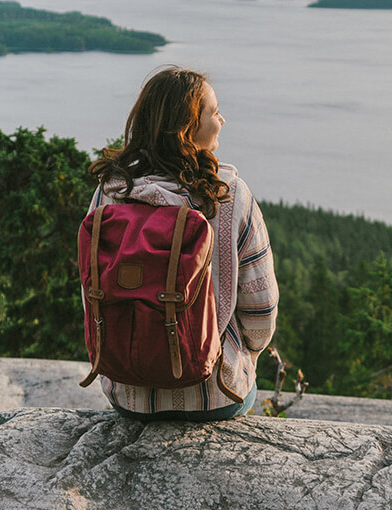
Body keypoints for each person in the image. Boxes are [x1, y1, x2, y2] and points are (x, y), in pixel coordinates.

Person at [88, 67, 278, 421]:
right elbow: (260, 317)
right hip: (216, 397)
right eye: (214, 112)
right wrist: (244, 357)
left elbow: (92, 293)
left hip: (128, 396)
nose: (223, 119)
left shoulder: (110, 191)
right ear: (187, 130)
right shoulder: (231, 196)